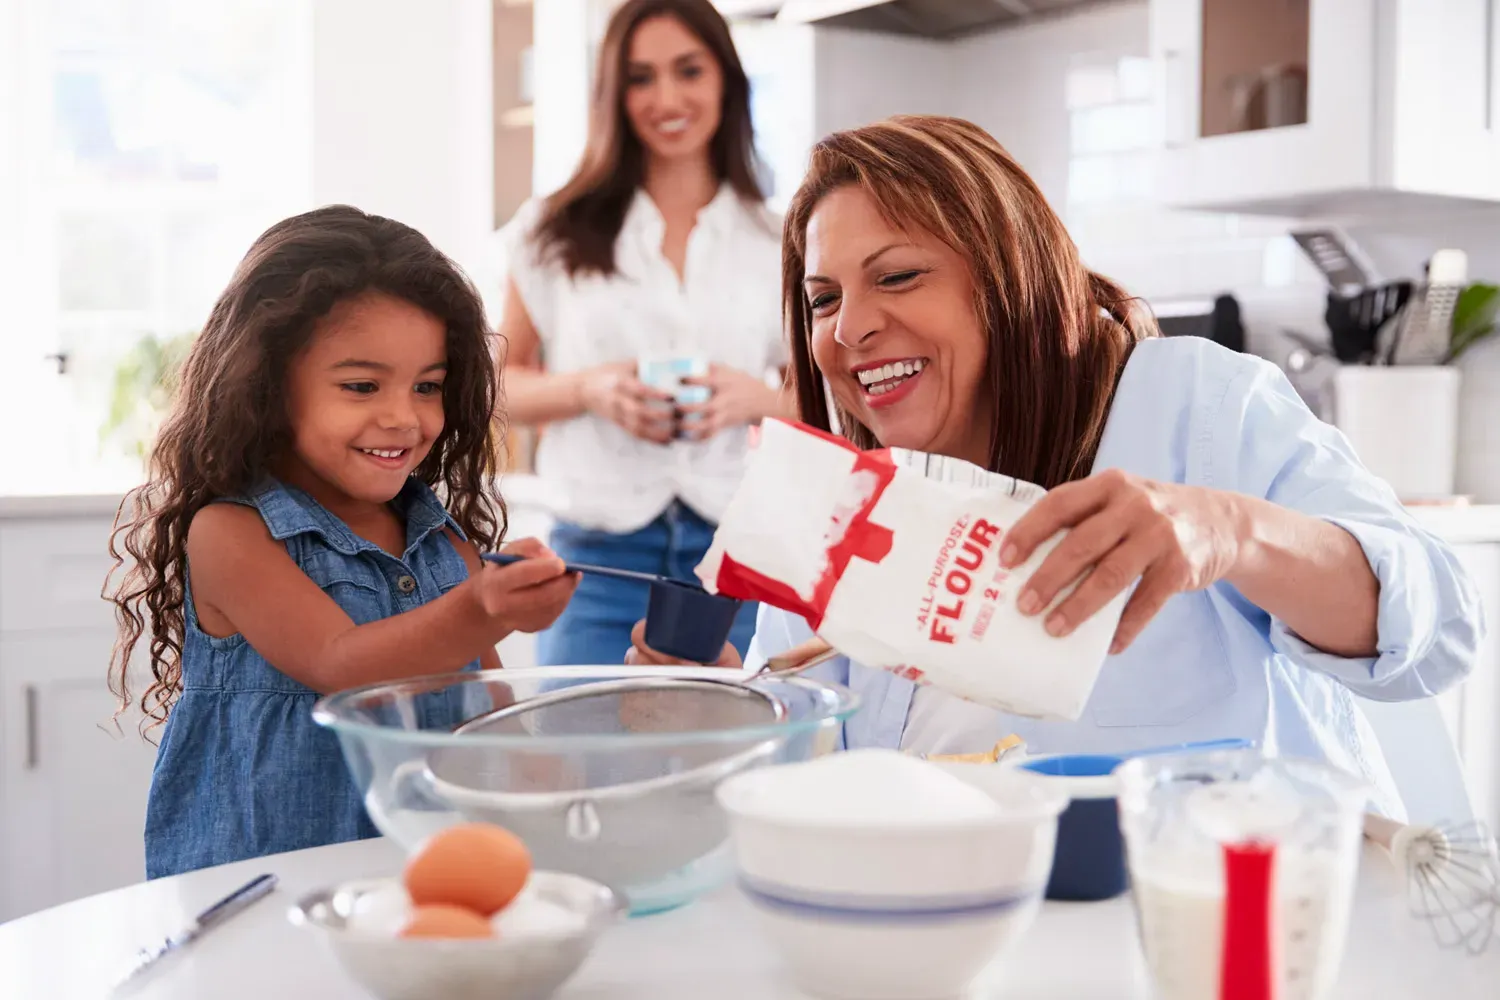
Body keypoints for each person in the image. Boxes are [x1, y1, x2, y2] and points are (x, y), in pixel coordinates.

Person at [630, 115, 1484, 817]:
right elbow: (820, 785)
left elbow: (1439, 631)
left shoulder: (1192, 404)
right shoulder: (836, 502)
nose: (849, 328)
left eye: (897, 277)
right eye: (824, 299)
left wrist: (1232, 533)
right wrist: (733, 719)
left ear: (1007, 276)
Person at [106, 205, 578, 878]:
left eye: (428, 387)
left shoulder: (446, 544)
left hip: (415, 886)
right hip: (254, 899)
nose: (403, 417)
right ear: (268, 386)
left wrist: (653, 695)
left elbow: (495, 739)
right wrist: (483, 608)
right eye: (361, 385)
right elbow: (343, 664)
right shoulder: (232, 534)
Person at [497, 0, 788, 666]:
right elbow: (498, 389)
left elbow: (832, 404)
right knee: (585, 762)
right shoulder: (551, 230)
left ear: (725, 81)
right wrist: (591, 389)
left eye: (689, 70)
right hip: (598, 565)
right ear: (613, 94)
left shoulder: (776, 239)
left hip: (737, 560)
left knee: (735, 761)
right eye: (641, 77)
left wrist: (758, 399)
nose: (667, 97)